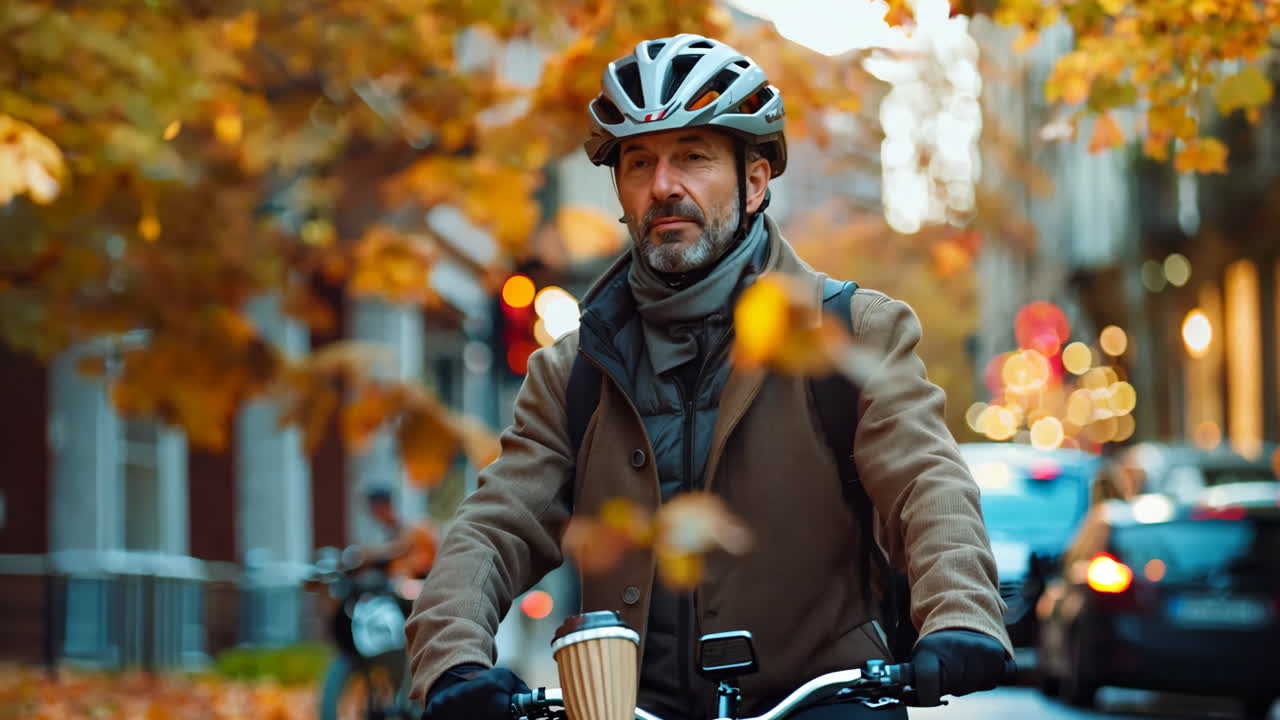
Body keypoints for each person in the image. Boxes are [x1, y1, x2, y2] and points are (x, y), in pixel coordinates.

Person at [407, 33, 1011, 720]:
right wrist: (452, 658)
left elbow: (926, 483)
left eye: (693, 157)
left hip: (821, 701)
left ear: (755, 181)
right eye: (640, 162)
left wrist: (960, 614)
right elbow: (496, 524)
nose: (664, 185)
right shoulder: (571, 371)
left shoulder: (853, 332)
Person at [360, 486, 438, 581]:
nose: (371, 513)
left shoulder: (413, 528)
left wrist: (369, 554)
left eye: (373, 508)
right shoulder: (388, 530)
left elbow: (400, 547)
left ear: (382, 506)